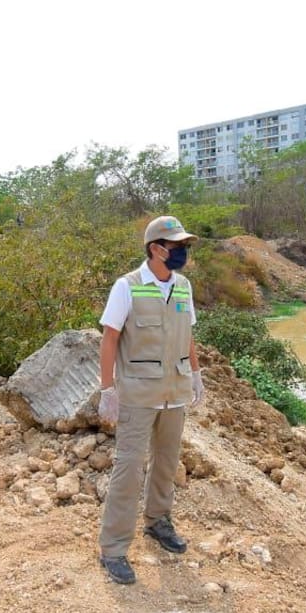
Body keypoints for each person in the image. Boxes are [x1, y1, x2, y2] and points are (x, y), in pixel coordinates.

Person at [96, 215, 206, 585]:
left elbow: (186, 332)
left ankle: (158, 522)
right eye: (176, 247)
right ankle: (113, 548)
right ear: (155, 249)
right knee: (128, 469)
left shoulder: (184, 286)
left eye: (184, 247)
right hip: (138, 394)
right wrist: (107, 389)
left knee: (167, 461)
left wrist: (195, 373)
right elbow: (110, 338)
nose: (182, 253)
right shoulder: (127, 286)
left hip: (174, 392)